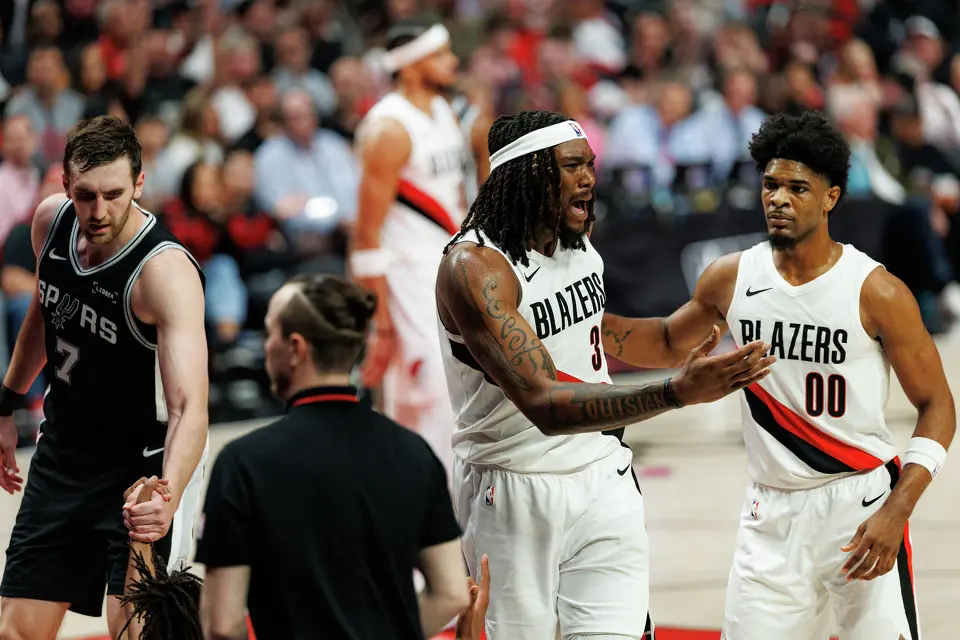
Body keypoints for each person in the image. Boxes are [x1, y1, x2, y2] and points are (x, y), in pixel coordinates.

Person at [597, 111, 955, 640]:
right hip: (770, 515)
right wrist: (582, 320)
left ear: (831, 197)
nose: (778, 198)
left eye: (796, 187)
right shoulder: (731, 275)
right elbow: (669, 341)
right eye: (770, 184)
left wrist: (896, 510)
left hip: (859, 503)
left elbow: (938, 406)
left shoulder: (875, 291)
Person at [435, 110, 775, 640]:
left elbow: (606, 332)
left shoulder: (577, 246)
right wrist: (676, 394)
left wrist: (698, 319)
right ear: (525, 174)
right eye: (571, 165)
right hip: (514, 488)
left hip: (602, 476)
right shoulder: (475, 269)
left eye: (590, 164)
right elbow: (545, 403)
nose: (589, 177)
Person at [0, 115, 210, 639]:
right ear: (65, 185)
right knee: (16, 631)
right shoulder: (52, 222)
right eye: (85, 195)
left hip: (140, 468)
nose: (98, 211)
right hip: (66, 450)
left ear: (140, 183)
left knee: (136, 629)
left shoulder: (164, 273)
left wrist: (170, 493)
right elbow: (43, 313)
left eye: (113, 194)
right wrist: (6, 403)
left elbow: (190, 408)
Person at [195, 274, 470, 640]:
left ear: (295, 347)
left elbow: (223, 624)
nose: (265, 347)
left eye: (268, 334)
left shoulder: (242, 464)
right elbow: (451, 592)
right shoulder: (413, 453)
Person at [351, 21, 469, 474]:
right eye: (442, 55)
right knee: (425, 397)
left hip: (449, 268)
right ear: (413, 64)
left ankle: (458, 504)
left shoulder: (442, 110)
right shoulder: (389, 128)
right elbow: (366, 235)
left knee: (459, 393)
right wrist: (378, 320)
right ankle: (418, 511)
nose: (453, 62)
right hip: (408, 278)